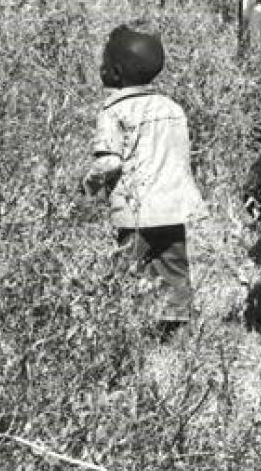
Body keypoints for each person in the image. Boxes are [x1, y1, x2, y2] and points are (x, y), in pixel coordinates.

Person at [82, 25, 206, 335]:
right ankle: (177, 328)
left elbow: (110, 162)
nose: (100, 69)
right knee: (173, 265)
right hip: (172, 206)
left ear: (116, 72)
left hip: (136, 211)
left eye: (104, 63)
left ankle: (134, 328)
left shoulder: (113, 113)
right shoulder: (172, 108)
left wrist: (88, 183)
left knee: (131, 267)